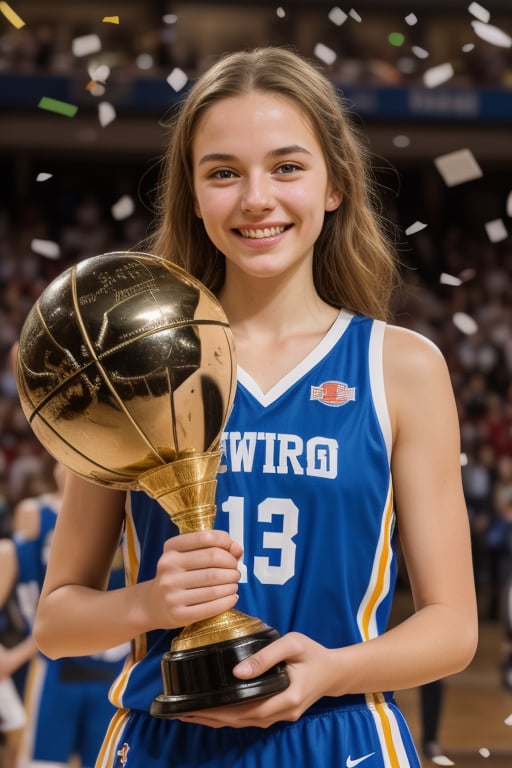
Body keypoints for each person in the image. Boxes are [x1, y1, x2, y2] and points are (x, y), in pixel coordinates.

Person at [33, 47, 478, 768]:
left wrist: (331, 670)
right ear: (193, 193)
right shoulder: (122, 356)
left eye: (287, 167)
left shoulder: (400, 367)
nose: (256, 199)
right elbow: (56, 622)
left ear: (334, 184)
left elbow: (454, 627)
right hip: (158, 740)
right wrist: (147, 604)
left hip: (342, 737)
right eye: (223, 173)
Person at [0, 459, 129, 768]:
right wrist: (15, 656)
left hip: (115, 666)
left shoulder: (131, 514)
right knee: (41, 762)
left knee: (108, 759)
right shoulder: (35, 514)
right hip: (54, 661)